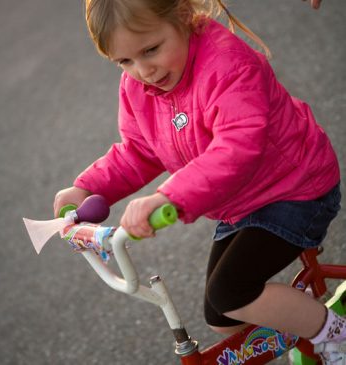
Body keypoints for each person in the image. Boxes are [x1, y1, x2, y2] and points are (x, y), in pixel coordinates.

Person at [53, 0, 342, 363]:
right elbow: (139, 152)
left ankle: (335, 335)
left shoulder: (227, 64)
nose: (143, 71)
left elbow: (237, 147)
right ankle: (304, 324)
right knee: (222, 316)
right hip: (242, 202)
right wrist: (87, 187)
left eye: (151, 50)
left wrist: (167, 196)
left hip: (296, 189)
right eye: (124, 61)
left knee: (230, 293)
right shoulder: (137, 87)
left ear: (184, 17)